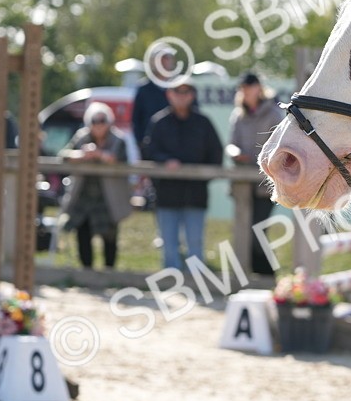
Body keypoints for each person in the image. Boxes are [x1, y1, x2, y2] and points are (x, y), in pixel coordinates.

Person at [142, 82, 223, 271]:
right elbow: (149, 151)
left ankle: (196, 279)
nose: (181, 96)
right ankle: (171, 279)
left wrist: (200, 175)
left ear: (192, 95)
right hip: (166, 194)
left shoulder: (203, 123)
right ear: (169, 94)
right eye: (177, 91)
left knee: (195, 241)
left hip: (195, 195)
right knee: (169, 243)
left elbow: (216, 154)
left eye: (186, 92)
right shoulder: (159, 122)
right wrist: (166, 161)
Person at [59, 102, 132, 270]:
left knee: (110, 237)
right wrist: (82, 155)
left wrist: (100, 155)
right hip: (84, 196)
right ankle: (87, 272)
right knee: (82, 234)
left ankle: (109, 273)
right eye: (94, 121)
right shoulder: (82, 137)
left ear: (109, 122)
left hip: (109, 198)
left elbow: (121, 160)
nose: (98, 125)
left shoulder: (118, 139)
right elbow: (64, 155)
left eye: (102, 121)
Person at [226, 72, 285, 275]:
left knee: (257, 231)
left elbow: (279, 147)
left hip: (265, 184)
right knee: (244, 231)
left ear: (259, 88)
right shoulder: (238, 115)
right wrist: (235, 153)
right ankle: (254, 274)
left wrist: (258, 159)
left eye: (249, 86)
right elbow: (231, 143)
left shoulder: (273, 114)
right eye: (243, 87)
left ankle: (267, 274)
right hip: (243, 183)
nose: (246, 91)